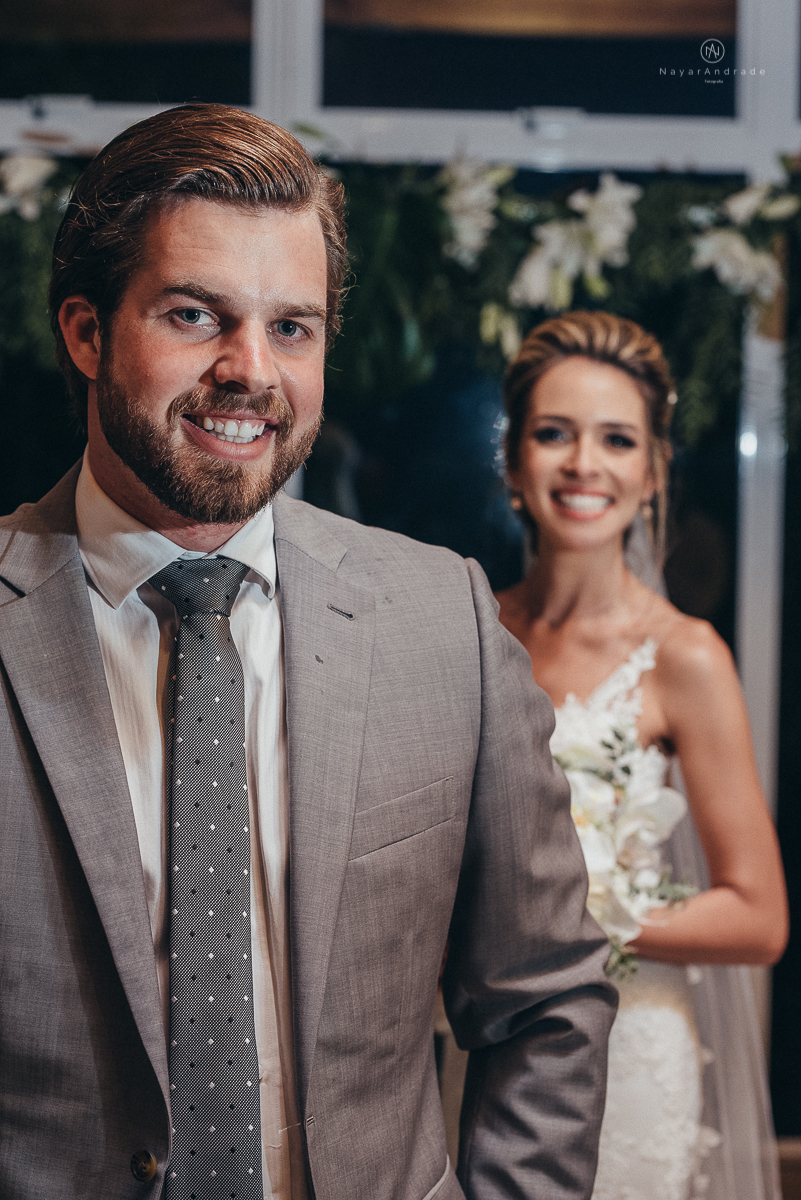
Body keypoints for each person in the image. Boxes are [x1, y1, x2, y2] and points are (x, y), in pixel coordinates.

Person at [0, 106, 616, 1200]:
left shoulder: (445, 620)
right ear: (87, 333)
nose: (251, 371)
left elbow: (548, 999)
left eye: (294, 327)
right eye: (196, 315)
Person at [496, 310, 789, 1200]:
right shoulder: (474, 630)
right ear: (512, 465)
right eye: (554, 435)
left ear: (653, 473)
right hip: (490, 1047)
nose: (584, 465)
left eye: (616, 440)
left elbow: (757, 918)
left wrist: (578, 919)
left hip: (629, 1056)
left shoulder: (685, 657)